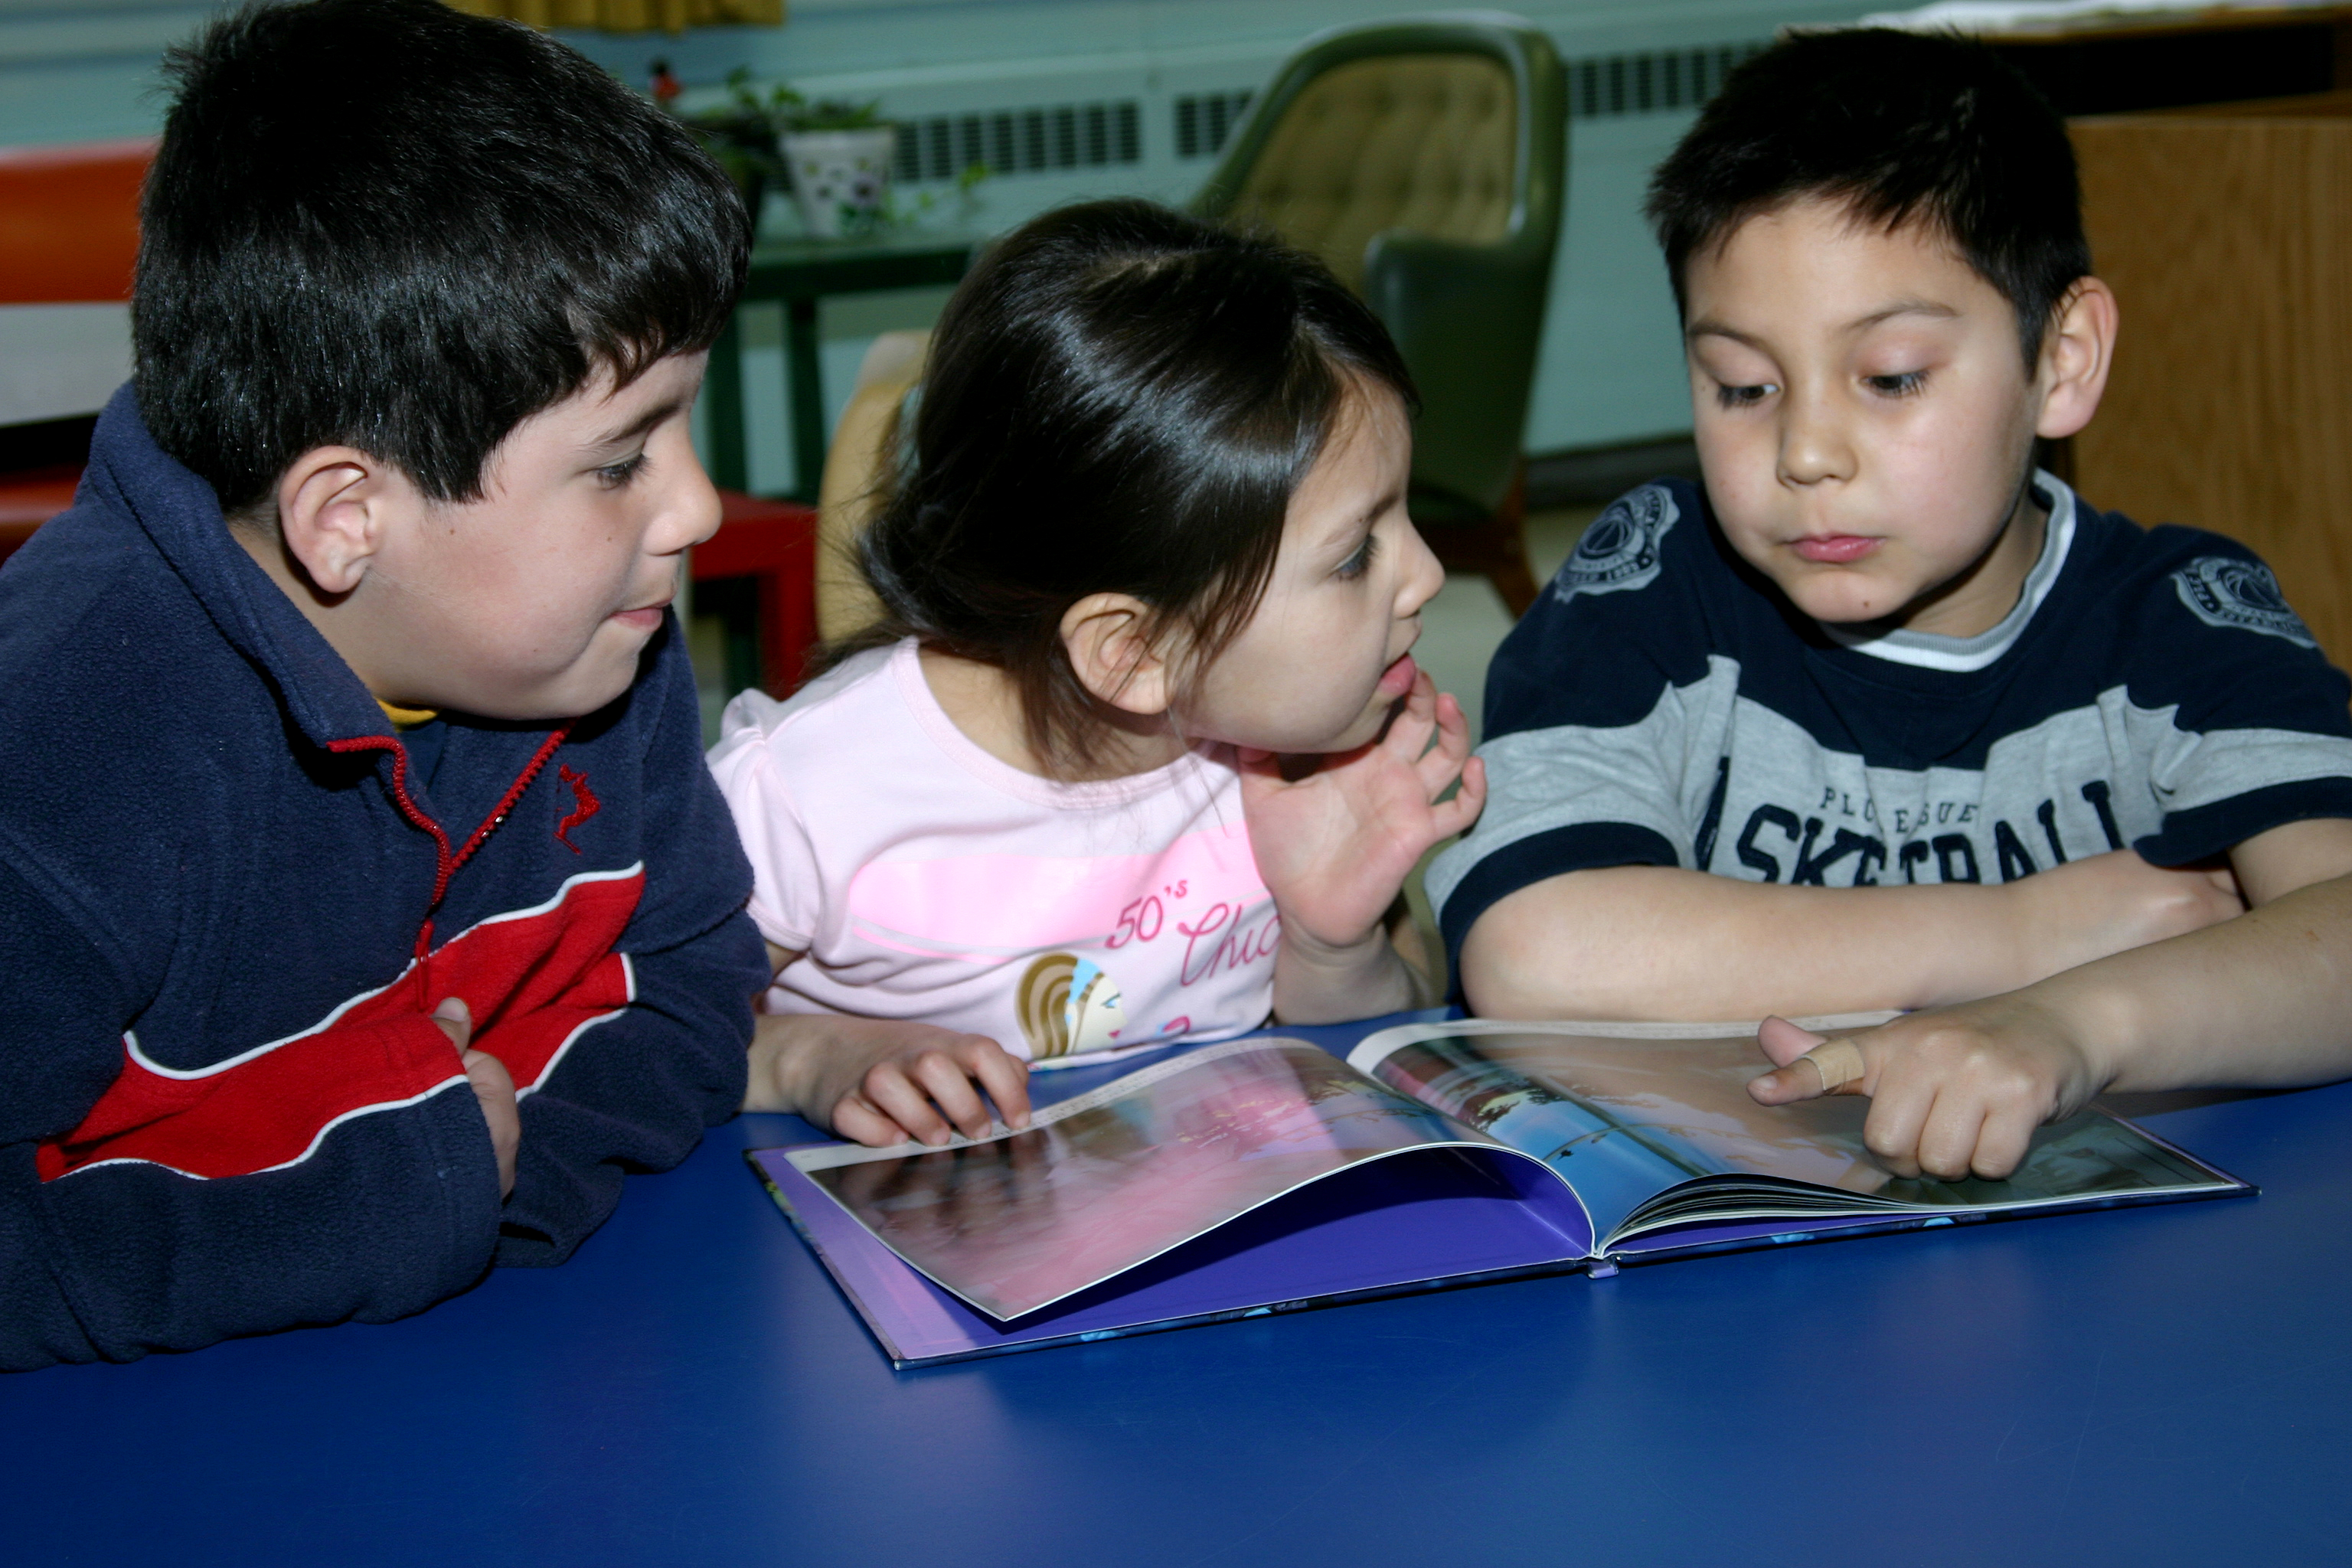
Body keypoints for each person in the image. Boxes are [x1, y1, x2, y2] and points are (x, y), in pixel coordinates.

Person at [1426, 28, 2352, 1177]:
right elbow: (1529, 945)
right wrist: (2025, 938)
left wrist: (2073, 1024)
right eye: (1743, 386)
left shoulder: (2180, 622)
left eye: (1893, 377)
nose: (1807, 451)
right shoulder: (1659, 584)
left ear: (2060, 360)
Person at [0, 0, 769, 1370]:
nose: (697, 508)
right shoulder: (58, 761)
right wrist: (369, 1209)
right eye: (619, 460)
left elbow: (695, 987)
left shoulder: (596, 637)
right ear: (346, 517)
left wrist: (487, 1192)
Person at [707, 200, 1485, 1148]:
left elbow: (1387, 1042)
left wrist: (1332, 940)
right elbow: (624, 1045)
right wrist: (806, 1056)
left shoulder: (1299, 751)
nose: (1430, 574)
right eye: (1357, 552)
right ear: (1134, 652)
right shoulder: (812, 792)